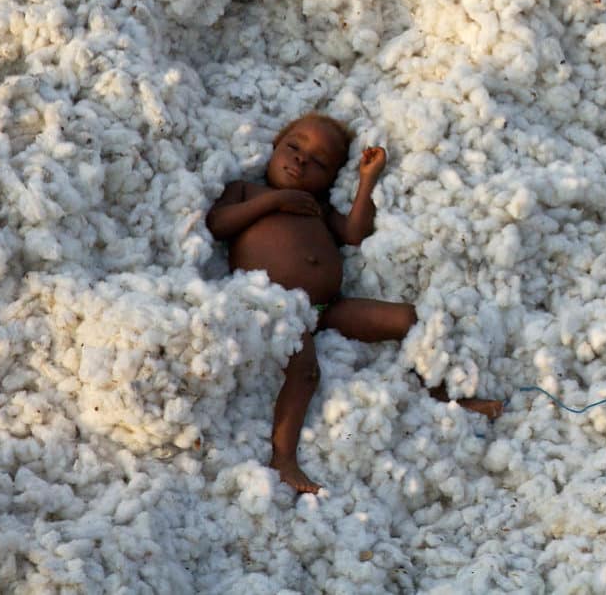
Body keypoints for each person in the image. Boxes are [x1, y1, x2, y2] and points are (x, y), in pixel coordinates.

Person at [207, 113, 502, 494]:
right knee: (305, 372)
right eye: (294, 148)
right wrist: (275, 201)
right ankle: (283, 458)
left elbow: (354, 233)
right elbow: (218, 223)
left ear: (330, 178)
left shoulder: (318, 208)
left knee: (407, 319)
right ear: (275, 146)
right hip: (276, 305)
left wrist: (367, 180)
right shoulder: (247, 191)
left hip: (327, 307)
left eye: (318, 162)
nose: (300, 161)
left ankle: (441, 391)